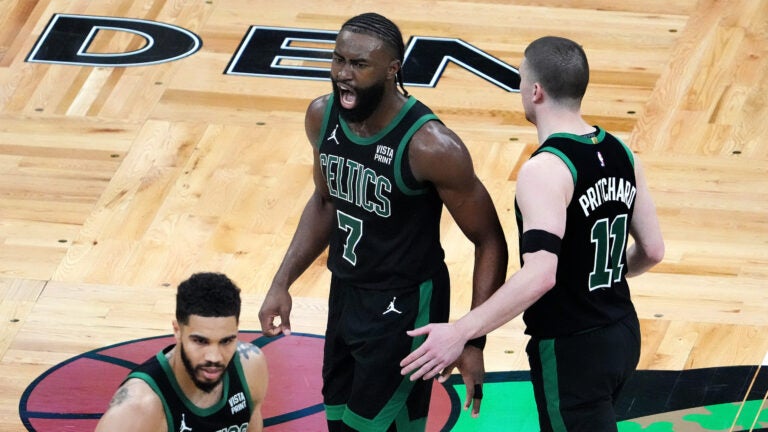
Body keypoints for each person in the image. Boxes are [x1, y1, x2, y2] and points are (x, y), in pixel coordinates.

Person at [257, 12, 508, 432]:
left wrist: (473, 336)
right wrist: (282, 282)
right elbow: (325, 202)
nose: (343, 75)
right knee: (346, 422)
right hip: (347, 293)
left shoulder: (432, 146)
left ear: (393, 70)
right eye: (338, 60)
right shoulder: (322, 117)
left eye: (359, 65)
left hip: (406, 305)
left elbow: (490, 240)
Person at [400, 36, 665, 431]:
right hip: (622, 333)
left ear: (536, 91)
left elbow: (540, 275)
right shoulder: (622, 153)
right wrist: (596, 274)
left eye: (522, 80)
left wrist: (461, 331)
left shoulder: (545, 169)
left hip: (572, 348)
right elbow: (654, 250)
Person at [96, 272, 268, 432]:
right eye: (200, 341)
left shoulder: (249, 367)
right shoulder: (137, 408)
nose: (214, 357)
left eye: (226, 341)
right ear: (177, 330)